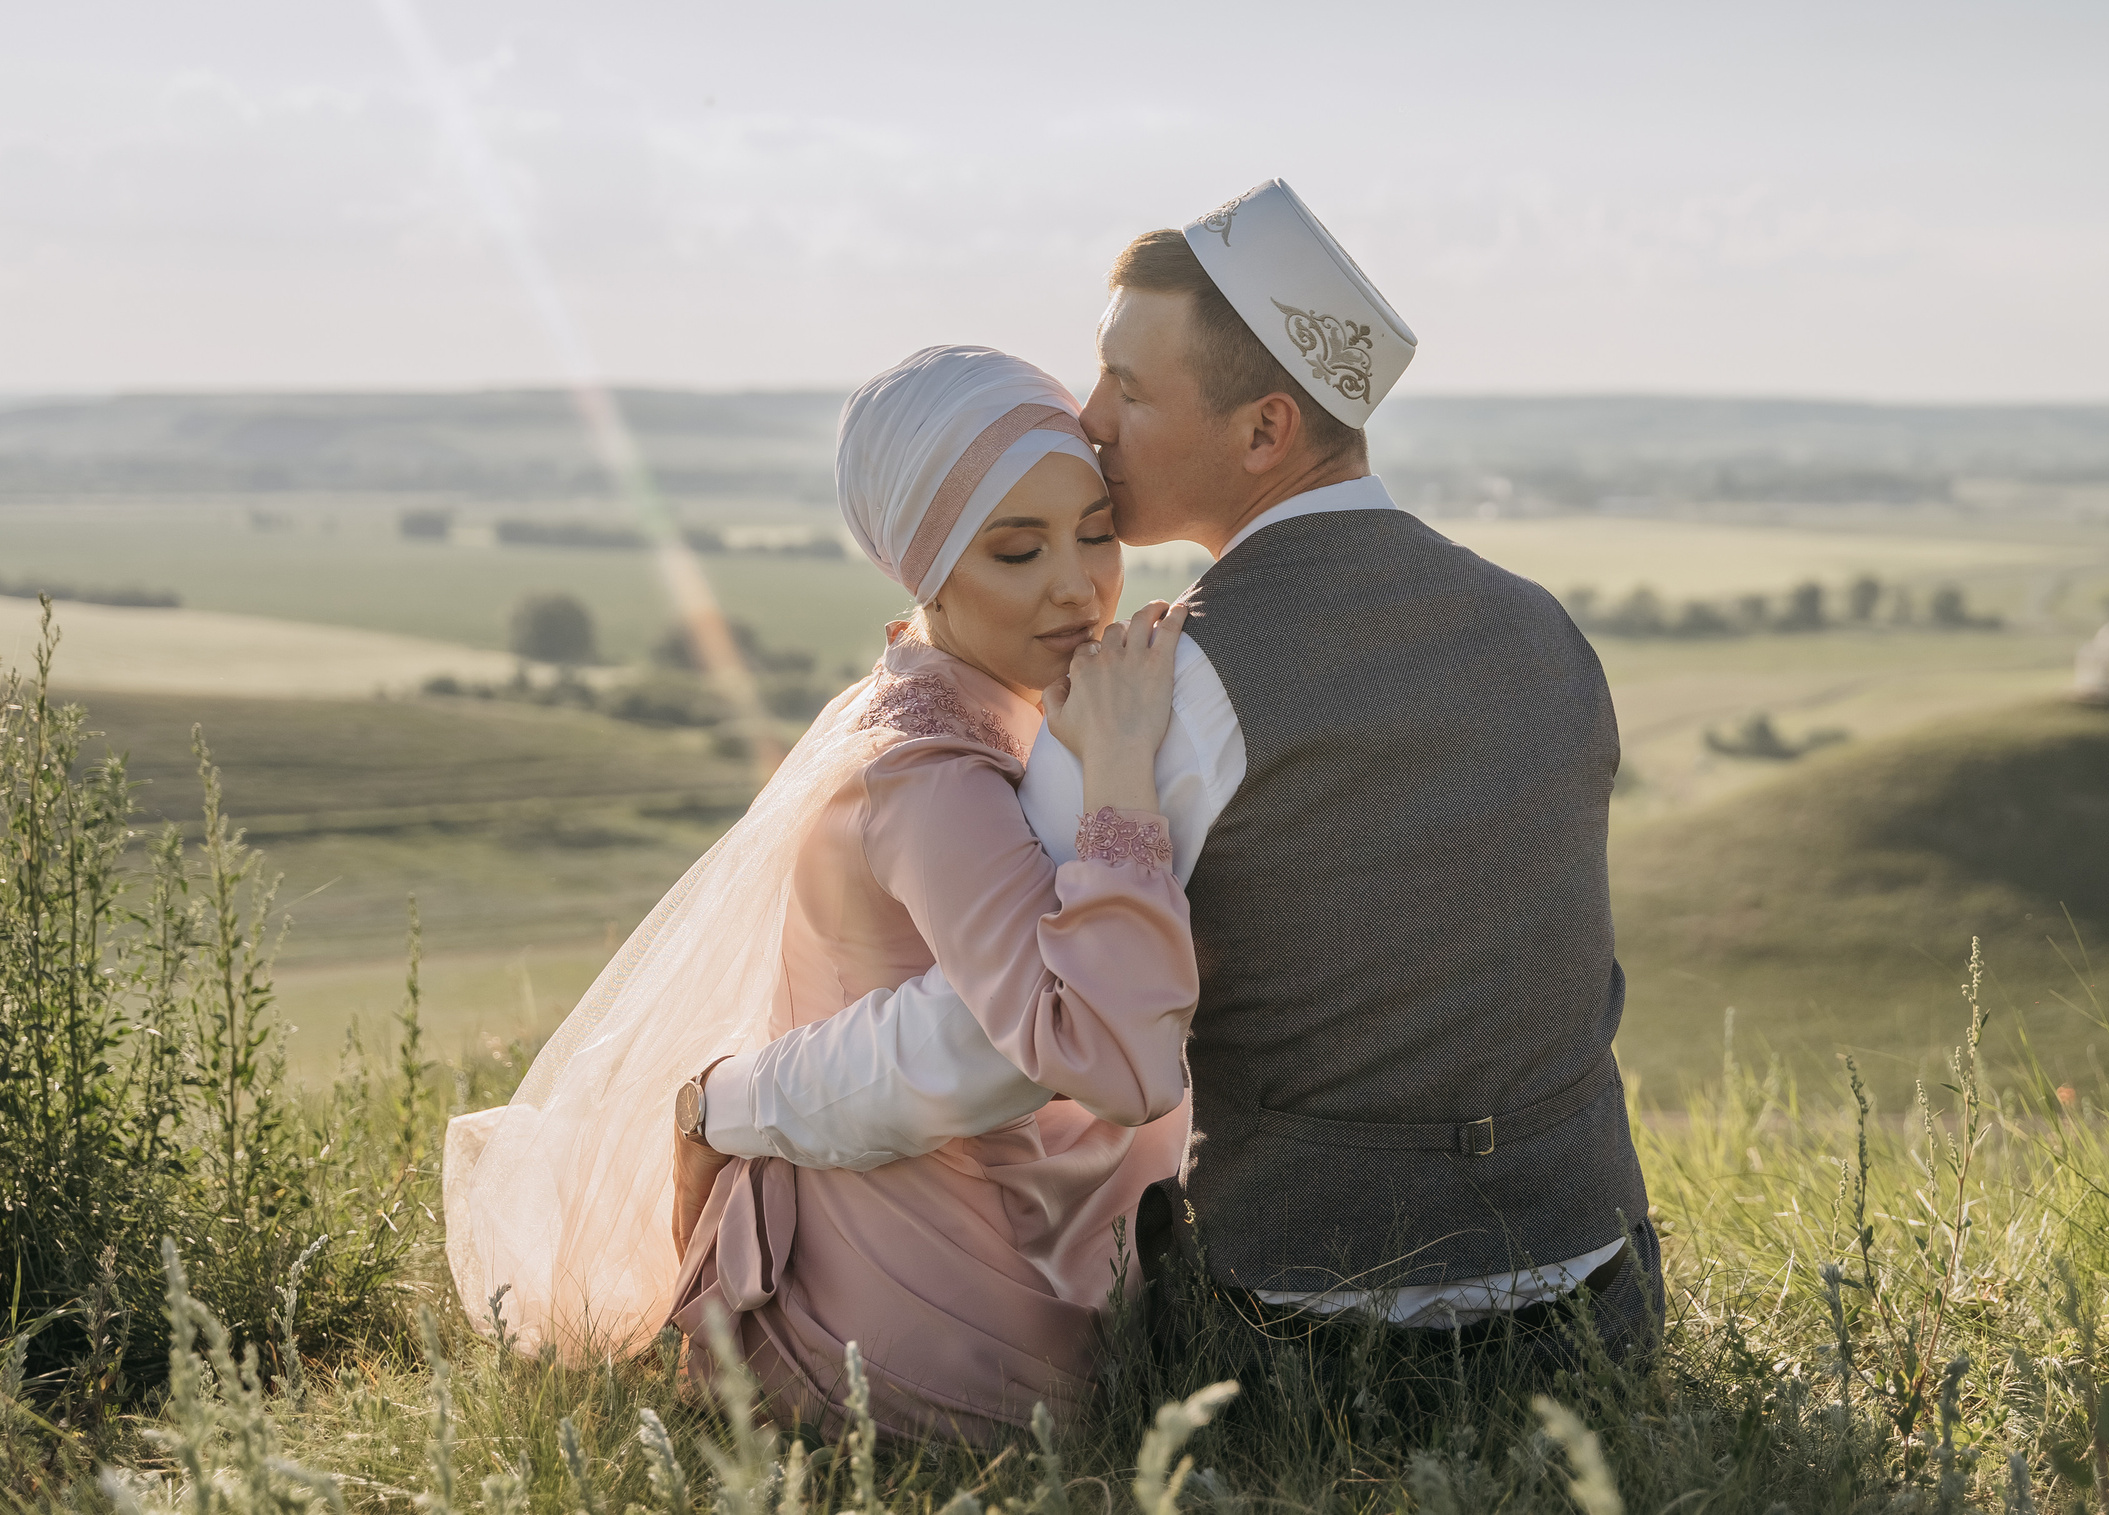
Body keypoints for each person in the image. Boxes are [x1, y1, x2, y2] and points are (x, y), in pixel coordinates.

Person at [695, 180, 1659, 1365]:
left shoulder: (1167, 687)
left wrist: (737, 1103)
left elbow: (1007, 1042)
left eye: (1128, 389)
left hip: (1323, 1322)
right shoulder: (1541, 627)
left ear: (1262, 433)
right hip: (1604, 1289)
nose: (1089, 420)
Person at [444, 346, 1199, 1442]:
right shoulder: (929, 777)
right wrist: (1124, 778)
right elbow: (1116, 1059)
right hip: (945, 1329)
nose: (1078, 585)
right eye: (1016, 549)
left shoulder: (953, 695)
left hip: (1002, 1240)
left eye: (1095, 532)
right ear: (924, 570)